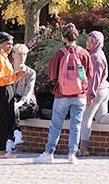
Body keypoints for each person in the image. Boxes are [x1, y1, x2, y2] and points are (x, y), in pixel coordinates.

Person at [33, 23, 92, 164]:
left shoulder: (60, 53)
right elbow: (89, 73)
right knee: (76, 125)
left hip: (62, 95)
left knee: (56, 125)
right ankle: (72, 154)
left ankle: (49, 153)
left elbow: (52, 75)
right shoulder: (84, 53)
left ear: (63, 37)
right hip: (80, 95)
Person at [0, 32, 27, 158]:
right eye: (7, 44)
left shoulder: (3, 56)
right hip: (2, 90)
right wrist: (17, 76)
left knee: (8, 119)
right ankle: (1, 151)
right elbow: (1, 78)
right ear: (0, 44)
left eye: (11, 44)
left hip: (6, 89)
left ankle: (5, 148)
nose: (10, 46)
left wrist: (15, 76)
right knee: (4, 121)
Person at [11, 44, 38, 120]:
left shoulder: (31, 73)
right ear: (13, 55)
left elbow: (28, 92)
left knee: (14, 113)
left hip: (26, 103)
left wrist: (18, 104)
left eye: (24, 54)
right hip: (13, 100)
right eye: (19, 54)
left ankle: (17, 131)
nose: (22, 57)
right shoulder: (8, 71)